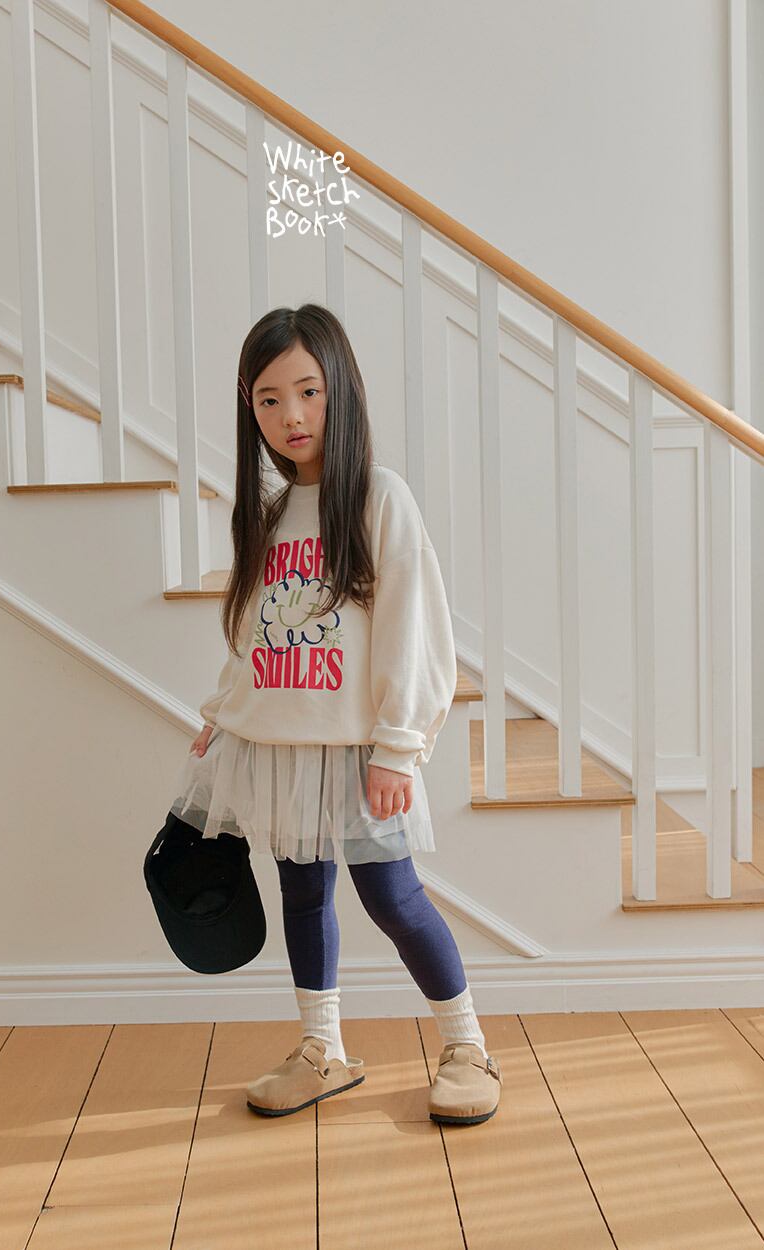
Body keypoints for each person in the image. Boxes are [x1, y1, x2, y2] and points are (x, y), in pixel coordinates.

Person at [169, 304, 502, 1125]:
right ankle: (323, 1048)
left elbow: (413, 627)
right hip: (279, 744)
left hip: (358, 749)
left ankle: (467, 1046)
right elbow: (254, 630)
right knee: (303, 895)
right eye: (269, 398)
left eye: (308, 391)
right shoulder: (269, 512)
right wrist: (223, 711)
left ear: (340, 390)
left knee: (392, 896)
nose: (292, 415)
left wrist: (399, 747)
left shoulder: (379, 497)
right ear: (250, 407)